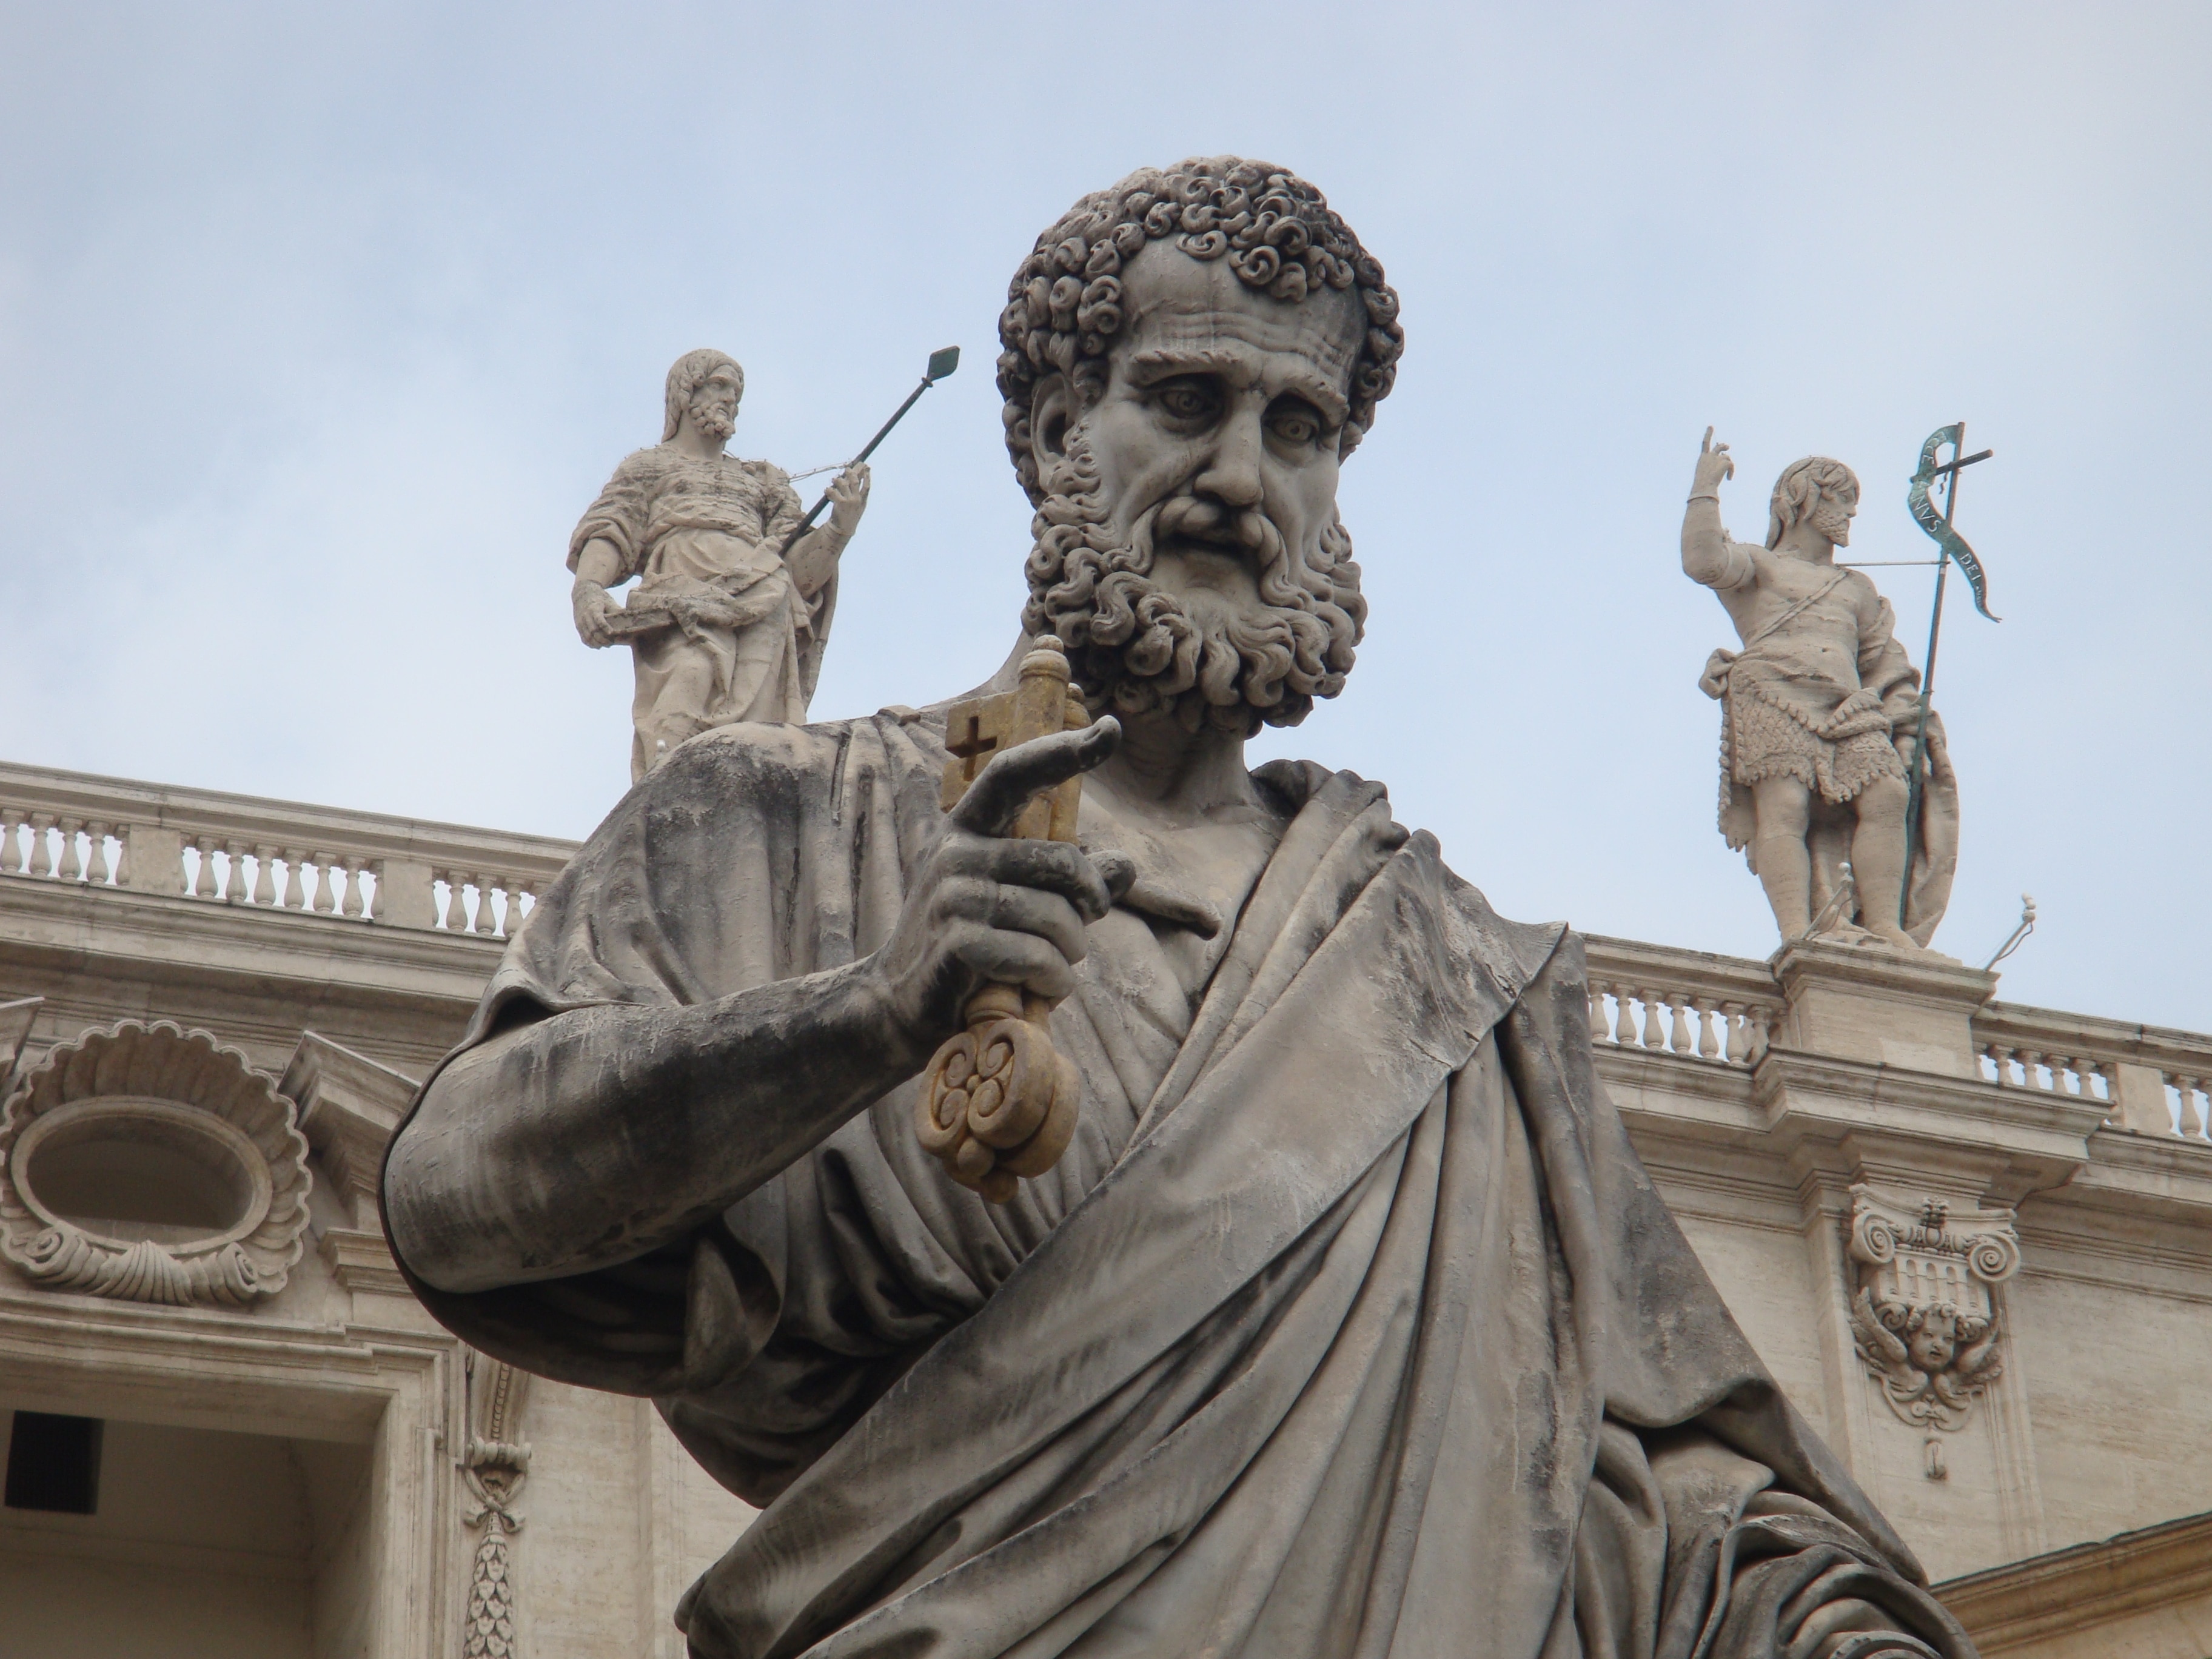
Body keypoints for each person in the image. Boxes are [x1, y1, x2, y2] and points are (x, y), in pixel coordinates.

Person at [386, 159, 1972, 1659]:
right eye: (1187, 403)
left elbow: (1662, 1504)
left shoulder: (1450, 979)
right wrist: (870, 1015)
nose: (1240, 476)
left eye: (1301, 426)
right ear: (1056, 433)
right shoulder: (788, 819)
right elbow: (459, 1198)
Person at [1684, 434, 1957, 948]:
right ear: (1802, 498)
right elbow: (1703, 563)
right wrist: (1705, 488)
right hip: (1771, 693)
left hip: (1850, 707)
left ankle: (1883, 925)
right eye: (1841, 498)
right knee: (1786, 807)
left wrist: (1900, 713)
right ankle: (1797, 930)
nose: (1852, 512)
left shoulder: (1857, 589)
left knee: (1888, 793)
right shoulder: (1760, 566)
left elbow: (1884, 663)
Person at [569, 347, 870, 782]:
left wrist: (840, 528)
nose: (730, 399)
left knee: (761, 739)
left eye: (736, 392)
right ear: (686, 393)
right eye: (720, 385)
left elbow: (799, 570)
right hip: (681, 598)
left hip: (761, 600)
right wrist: (589, 589)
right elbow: (612, 528)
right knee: (688, 686)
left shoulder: (764, 481)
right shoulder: (649, 466)